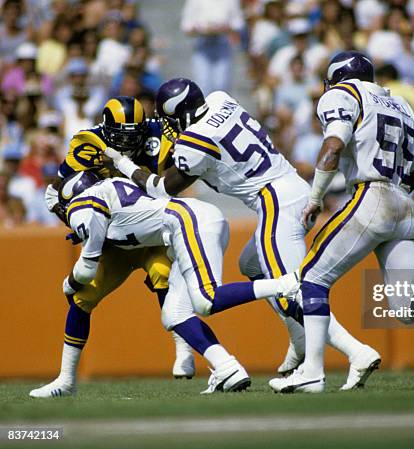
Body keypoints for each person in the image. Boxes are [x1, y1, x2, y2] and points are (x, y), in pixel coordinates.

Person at [105, 78, 381, 389]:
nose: (169, 128)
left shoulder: (193, 143)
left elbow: (162, 188)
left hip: (276, 201)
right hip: (290, 188)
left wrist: (125, 165)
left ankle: (355, 352)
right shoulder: (222, 98)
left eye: (170, 121)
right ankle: (300, 338)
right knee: (250, 264)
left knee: (293, 292)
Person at [266, 51, 414, 393]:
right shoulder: (402, 105)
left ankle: (313, 372)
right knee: (406, 306)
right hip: (406, 206)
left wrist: (316, 197)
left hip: (372, 196)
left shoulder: (342, 94)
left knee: (310, 280)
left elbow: (333, 146)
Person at [31, 172, 300, 397]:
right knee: (174, 314)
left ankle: (285, 284)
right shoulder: (109, 187)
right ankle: (227, 368)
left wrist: (67, 284)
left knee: (207, 299)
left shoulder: (83, 204)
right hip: (189, 222)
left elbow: (86, 269)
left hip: (188, 223)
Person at [40, 96, 197, 389]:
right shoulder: (88, 144)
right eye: (121, 137)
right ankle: (65, 378)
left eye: (134, 135)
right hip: (113, 240)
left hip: (151, 233)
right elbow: (57, 194)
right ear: (107, 128)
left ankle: (184, 351)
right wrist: (80, 224)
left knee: (164, 277)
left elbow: (172, 185)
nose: (128, 142)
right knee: (82, 298)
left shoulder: (158, 137)